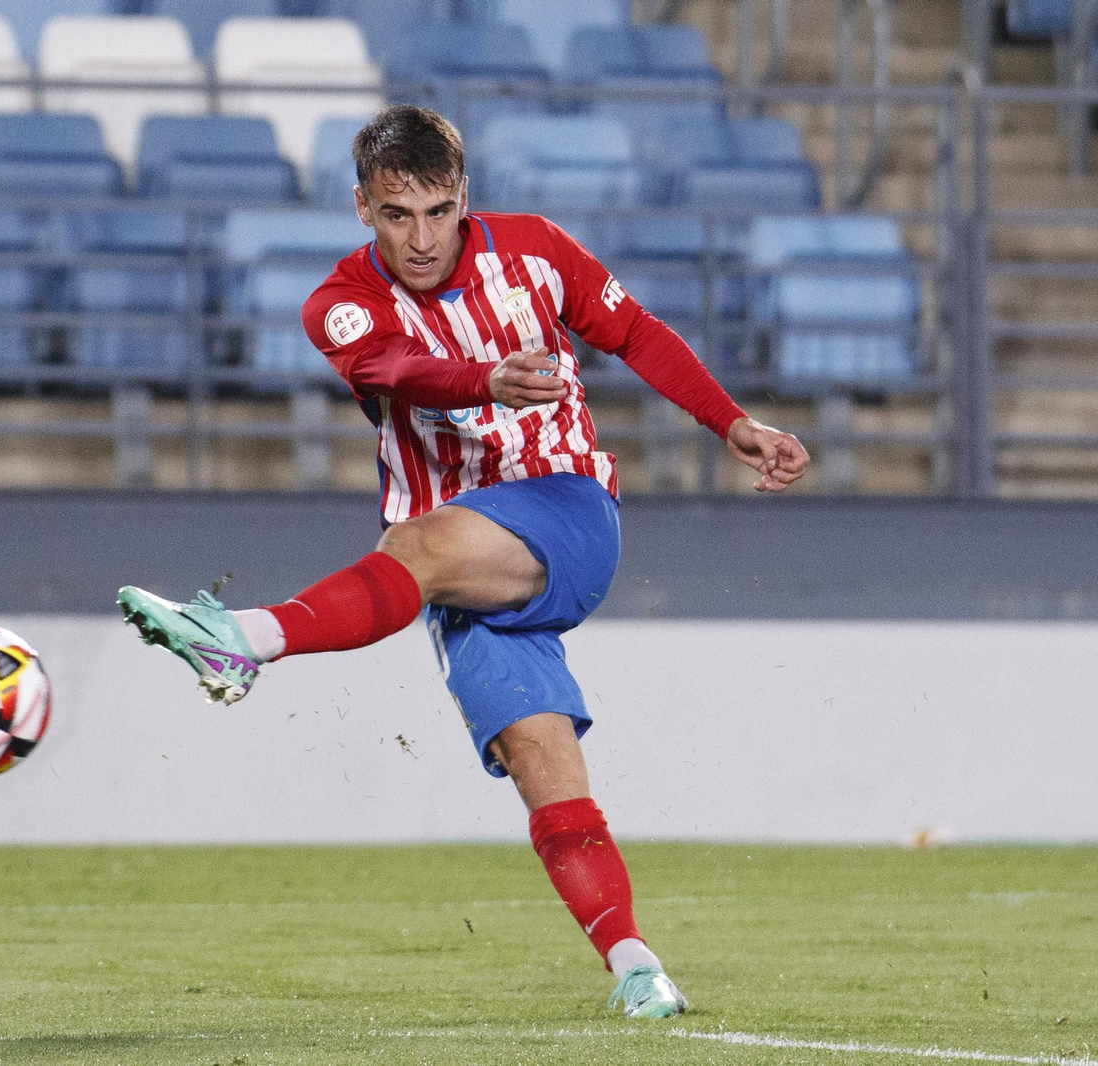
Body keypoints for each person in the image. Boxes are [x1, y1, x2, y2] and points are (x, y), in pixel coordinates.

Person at [118, 104, 809, 1018]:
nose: (421, 237)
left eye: (438, 211)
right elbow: (399, 371)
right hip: (452, 570)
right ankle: (636, 965)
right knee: (541, 762)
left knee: (415, 545)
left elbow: (635, 332)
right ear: (362, 208)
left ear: (463, 196)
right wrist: (485, 379)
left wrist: (734, 422)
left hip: (564, 507)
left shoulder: (536, 252)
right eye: (398, 215)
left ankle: (242, 637)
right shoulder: (336, 306)